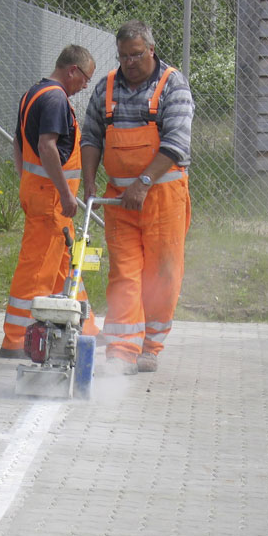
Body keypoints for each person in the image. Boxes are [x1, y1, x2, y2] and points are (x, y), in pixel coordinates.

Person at [81, 20, 194, 375]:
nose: (129, 62)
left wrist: (143, 183)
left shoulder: (172, 85)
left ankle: (150, 346)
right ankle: (122, 349)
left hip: (162, 195)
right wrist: (89, 184)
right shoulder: (106, 88)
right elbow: (91, 138)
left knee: (162, 273)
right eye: (123, 56)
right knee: (125, 273)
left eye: (136, 54)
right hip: (119, 200)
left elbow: (176, 143)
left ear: (151, 50)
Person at [0, 45, 100, 358]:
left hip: (42, 194)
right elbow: (46, 146)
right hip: (52, 200)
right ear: (72, 70)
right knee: (37, 269)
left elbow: (19, 142)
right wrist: (65, 193)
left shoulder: (34, 93)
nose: (85, 85)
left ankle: (86, 327)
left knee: (65, 265)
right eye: (85, 78)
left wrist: (28, 181)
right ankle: (16, 339)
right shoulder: (56, 98)